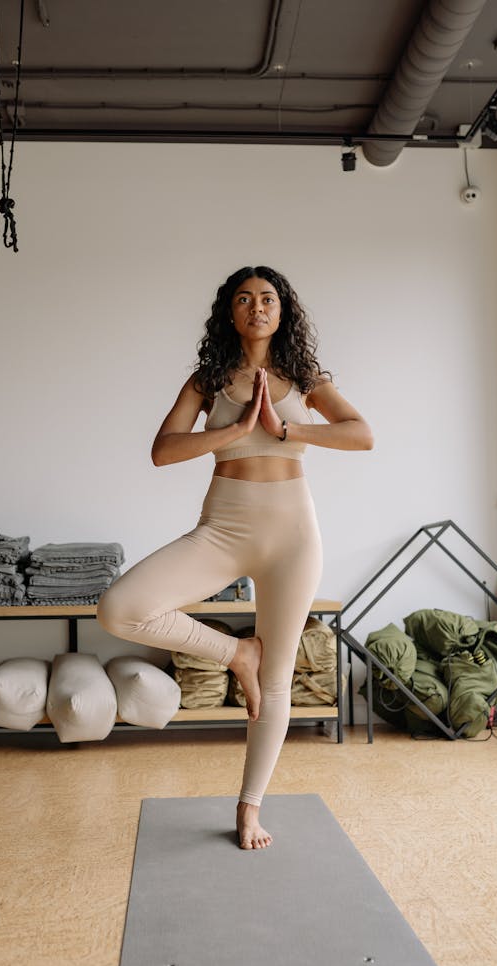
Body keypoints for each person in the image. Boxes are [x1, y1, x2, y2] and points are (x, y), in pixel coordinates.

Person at [97, 265, 373, 849]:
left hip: (293, 535)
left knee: (277, 681)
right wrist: (231, 432)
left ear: (283, 310)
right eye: (245, 299)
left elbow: (361, 433)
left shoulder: (303, 376)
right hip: (224, 525)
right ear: (230, 311)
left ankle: (250, 808)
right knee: (120, 607)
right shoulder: (209, 379)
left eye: (268, 298)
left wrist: (288, 429)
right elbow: (162, 451)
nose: (257, 308)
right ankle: (234, 653)